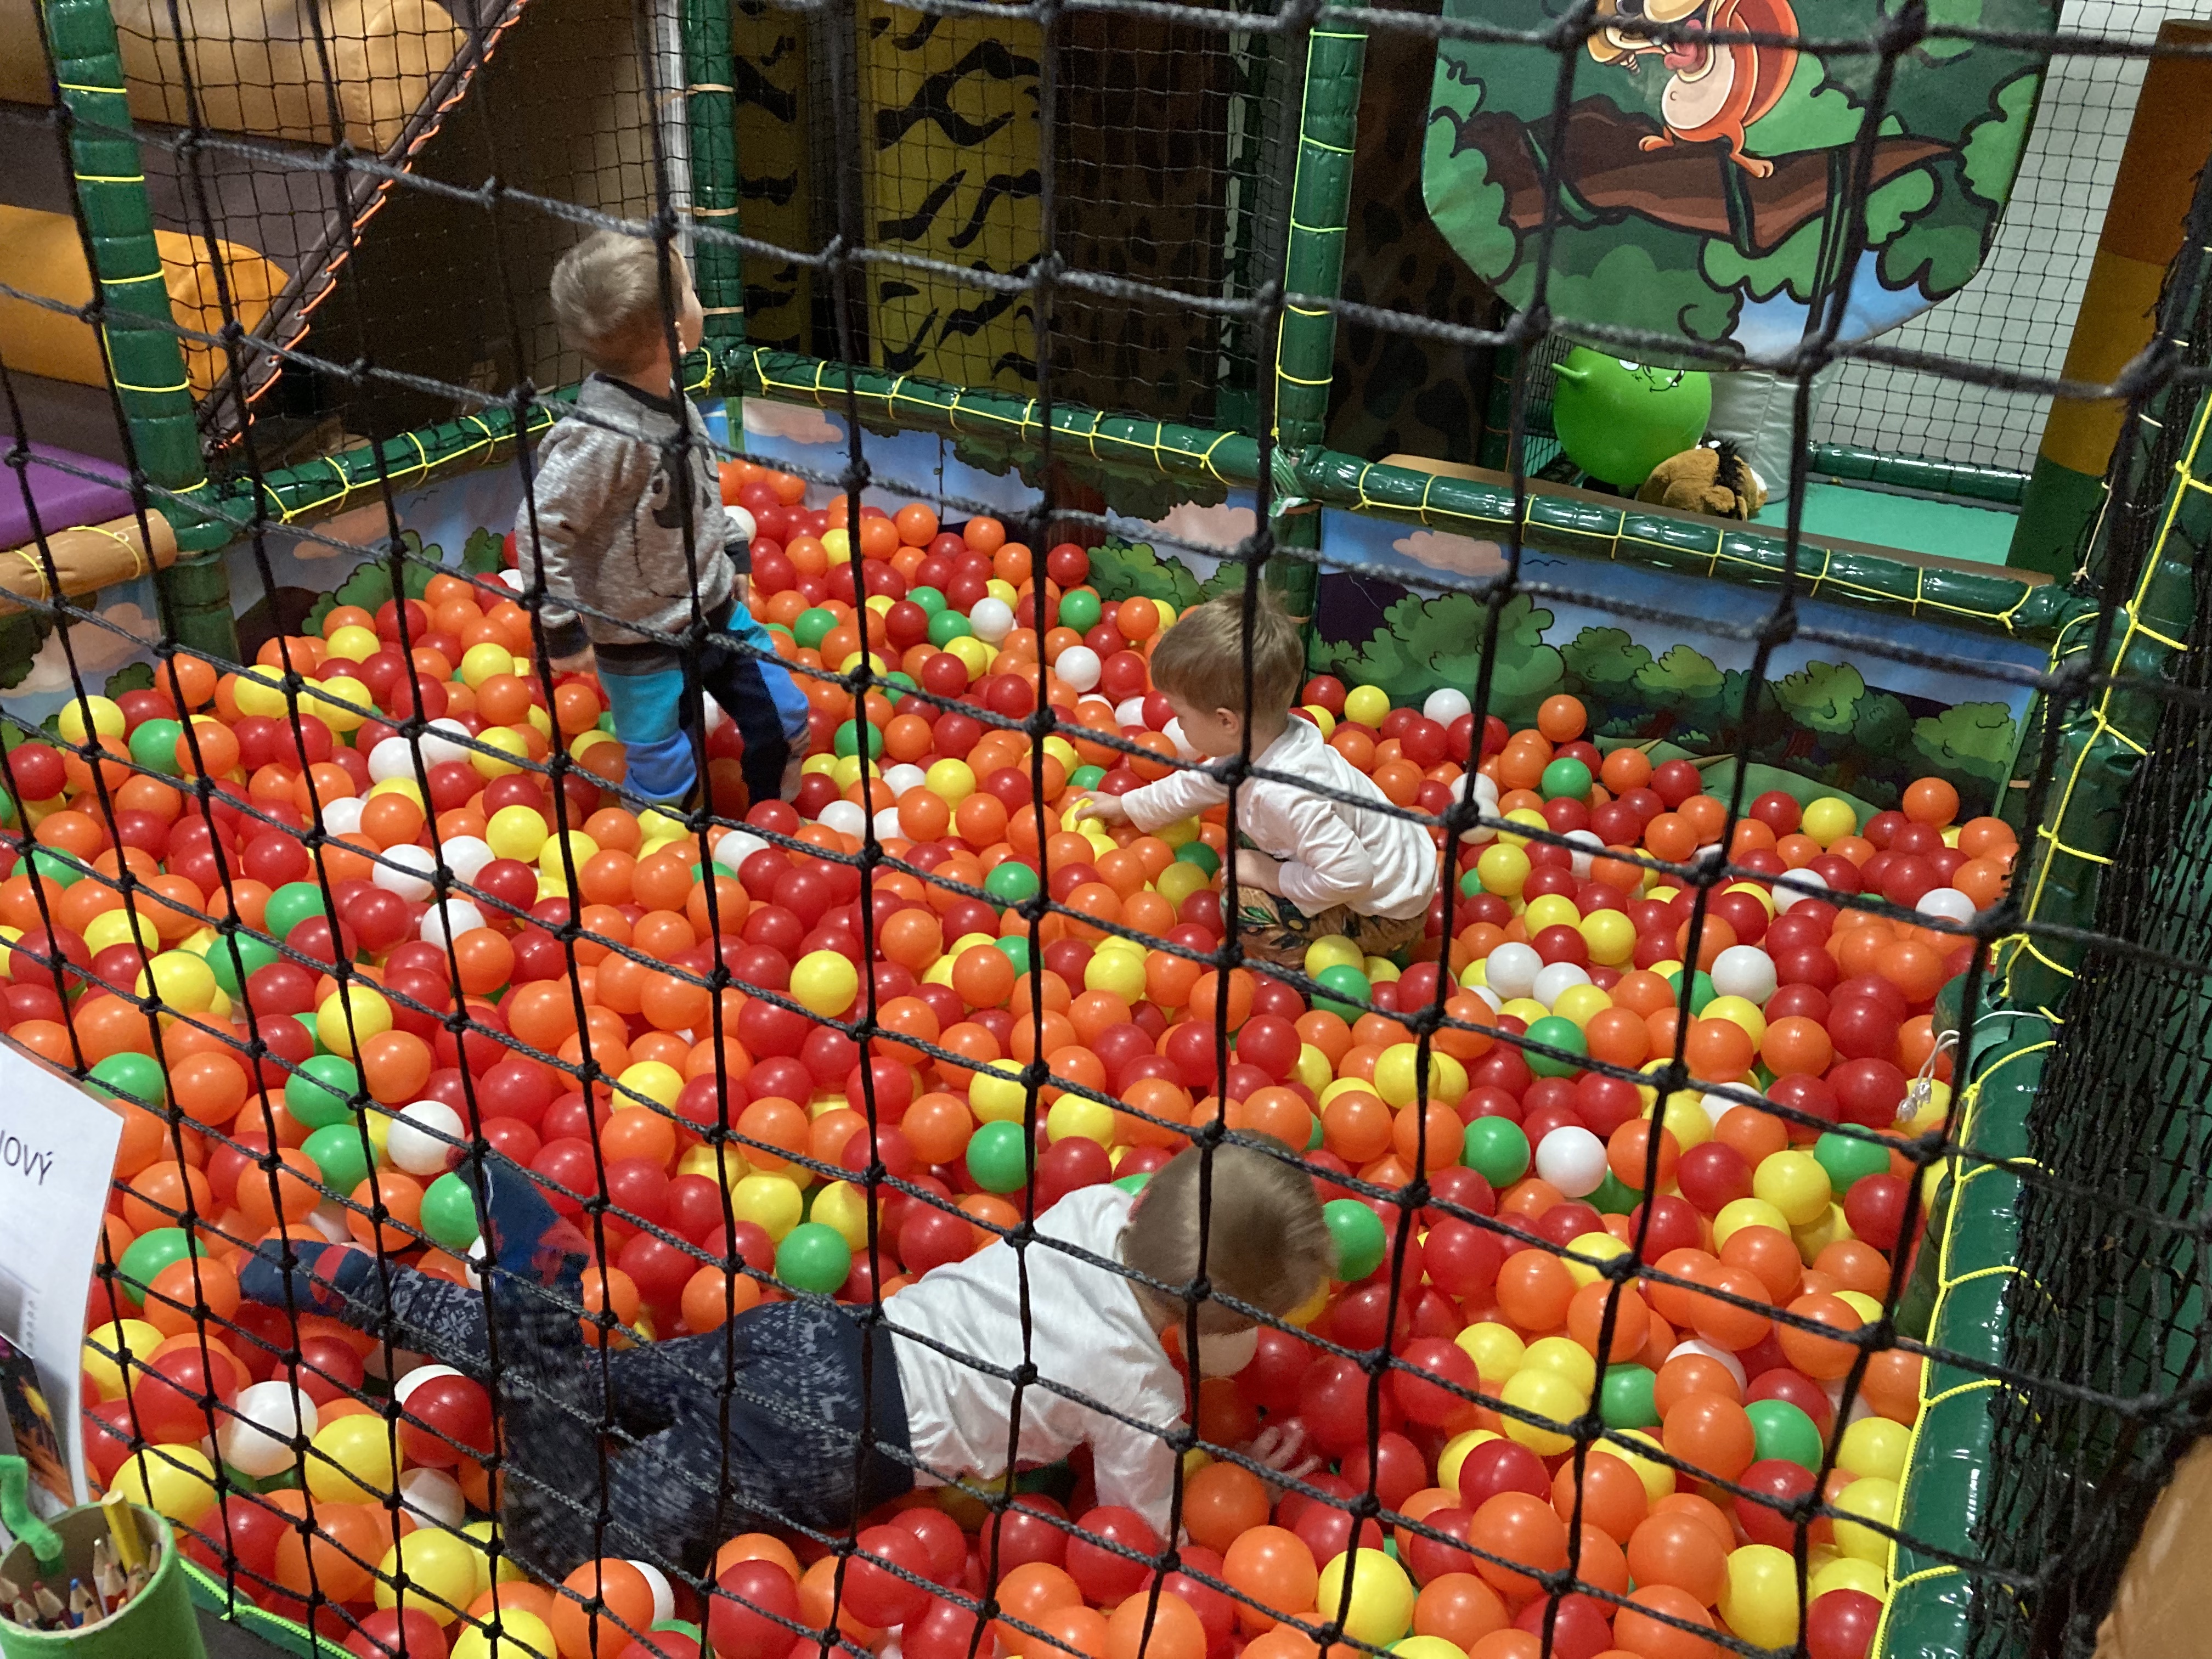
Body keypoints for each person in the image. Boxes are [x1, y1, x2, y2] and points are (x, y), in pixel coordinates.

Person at [239, 1140, 1329, 1585]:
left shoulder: (1090, 1210)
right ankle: (537, 1316)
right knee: (568, 1552)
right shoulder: (1140, 1387)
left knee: (614, 1388)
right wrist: (1243, 1474)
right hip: (827, 1445)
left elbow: (1163, 1216)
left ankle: (353, 1281)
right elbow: (1138, 1527)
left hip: (809, 1334)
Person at [513, 229, 808, 811]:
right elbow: (540, 526)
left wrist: (730, 549)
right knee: (665, 772)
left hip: (716, 612)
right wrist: (561, 630)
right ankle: (666, 837)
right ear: (675, 333)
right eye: (692, 291)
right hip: (638, 640)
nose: (700, 301)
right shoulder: (602, 437)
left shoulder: (674, 400)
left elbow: (695, 492)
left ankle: (771, 818)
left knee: (785, 715)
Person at [1074, 588, 1440, 968]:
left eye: (1181, 715)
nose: (1177, 724)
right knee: (1248, 832)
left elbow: (1351, 875)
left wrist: (1270, 874)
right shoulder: (1272, 739)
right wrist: (1128, 806)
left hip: (1386, 913)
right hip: (1396, 869)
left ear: (1226, 722)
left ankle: (1304, 972)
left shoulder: (1283, 794)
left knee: (1240, 906)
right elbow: (1201, 784)